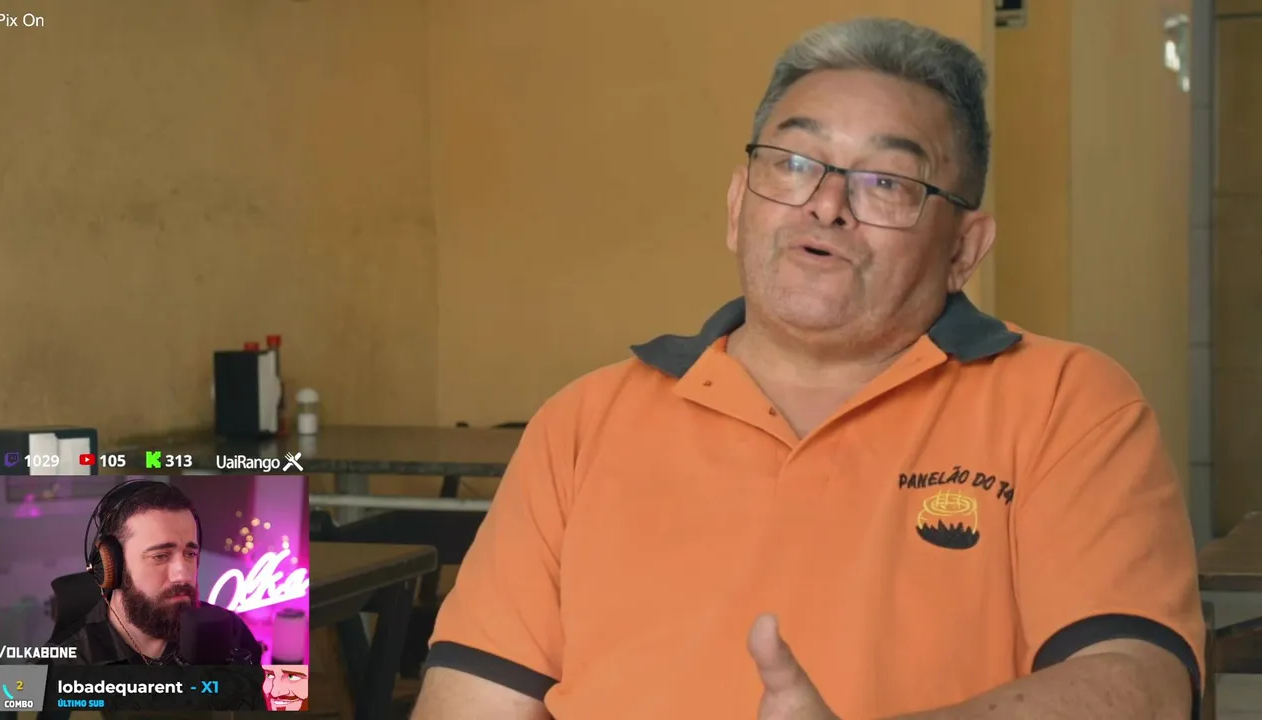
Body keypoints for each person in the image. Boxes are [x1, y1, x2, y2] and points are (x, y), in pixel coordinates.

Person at [413, 17, 1204, 720]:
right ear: (738, 207)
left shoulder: (1066, 404)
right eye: (793, 163)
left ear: (964, 249)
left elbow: (1140, 686)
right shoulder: (585, 424)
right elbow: (471, 700)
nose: (826, 205)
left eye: (886, 182)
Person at [40, 481, 263, 672]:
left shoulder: (232, 635)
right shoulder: (57, 665)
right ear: (111, 566)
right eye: (160, 556)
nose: (183, 574)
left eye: (190, 554)